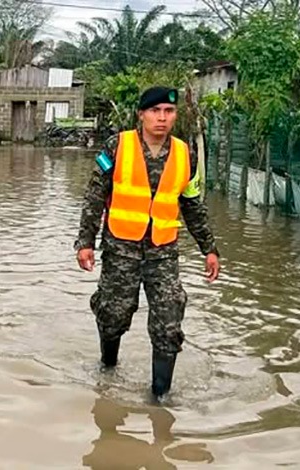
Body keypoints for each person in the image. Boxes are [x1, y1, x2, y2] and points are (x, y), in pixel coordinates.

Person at [74, 86, 221, 399]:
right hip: (120, 250)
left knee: (169, 324)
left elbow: (192, 203)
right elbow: (95, 195)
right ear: (141, 114)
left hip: (163, 253)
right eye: (155, 111)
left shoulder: (185, 153)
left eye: (168, 112)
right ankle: (108, 367)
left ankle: (160, 399)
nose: (162, 118)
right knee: (113, 316)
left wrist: (209, 248)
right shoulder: (117, 146)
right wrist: (84, 241)